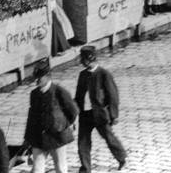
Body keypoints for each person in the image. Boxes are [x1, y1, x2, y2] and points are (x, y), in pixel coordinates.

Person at [74, 45, 126, 173]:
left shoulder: (104, 74)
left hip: (99, 114)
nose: (82, 62)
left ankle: (121, 157)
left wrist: (113, 115)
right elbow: (78, 96)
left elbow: (113, 96)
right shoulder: (82, 75)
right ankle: (85, 168)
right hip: (84, 115)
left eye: (83, 60)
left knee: (109, 137)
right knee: (83, 143)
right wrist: (73, 114)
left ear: (89, 59)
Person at [23, 60, 77, 173]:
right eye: (35, 78)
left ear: (48, 76)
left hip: (57, 138)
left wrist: (62, 125)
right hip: (38, 138)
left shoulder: (59, 92)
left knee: (60, 168)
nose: (36, 81)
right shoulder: (34, 94)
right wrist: (27, 138)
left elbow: (73, 111)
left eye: (39, 78)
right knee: (37, 169)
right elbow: (31, 117)